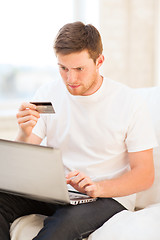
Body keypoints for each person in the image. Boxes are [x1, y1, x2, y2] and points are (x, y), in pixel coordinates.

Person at [0, 21, 158, 240]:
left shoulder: (130, 103)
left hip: (107, 196)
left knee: (60, 228)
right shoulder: (49, 92)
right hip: (55, 189)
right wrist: (24, 133)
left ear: (99, 61)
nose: (70, 79)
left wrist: (99, 188)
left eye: (79, 69)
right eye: (63, 68)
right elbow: (24, 158)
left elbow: (144, 174)